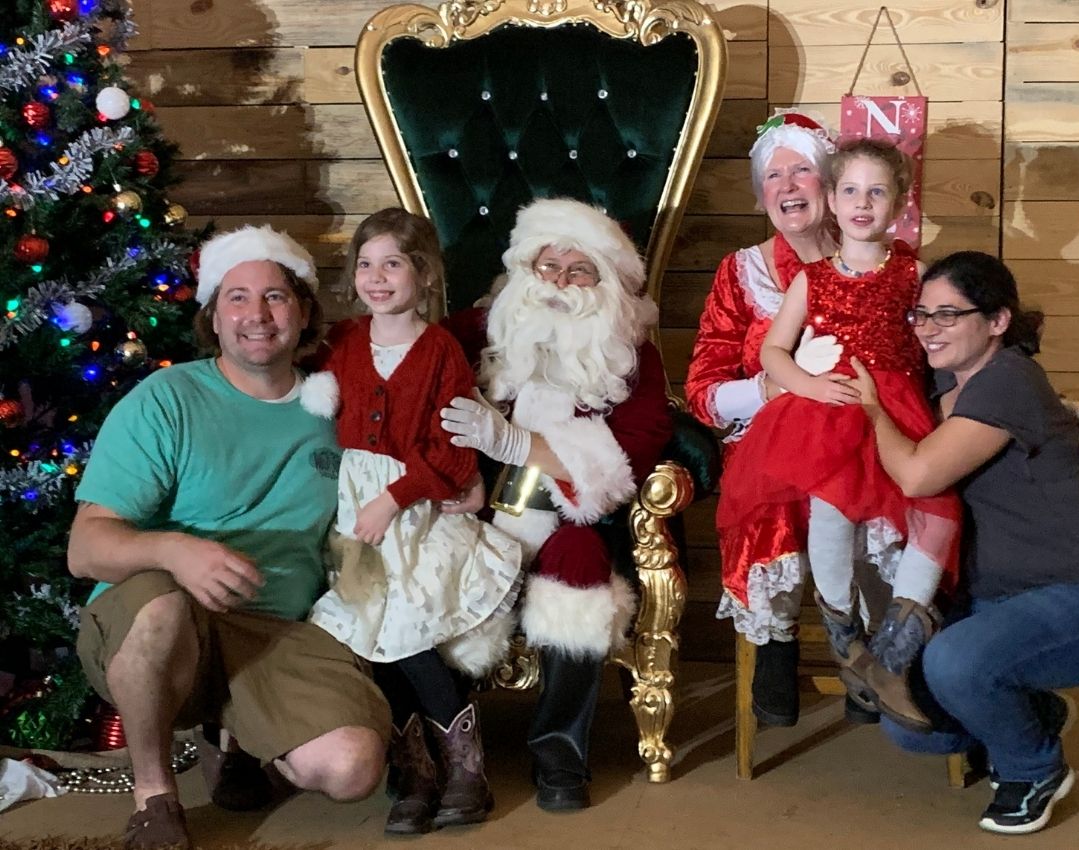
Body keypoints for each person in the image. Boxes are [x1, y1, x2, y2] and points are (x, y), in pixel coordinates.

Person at [66, 225, 392, 850]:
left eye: (275, 297)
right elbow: (86, 548)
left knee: (351, 768)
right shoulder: (168, 398)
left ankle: (237, 739)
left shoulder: (337, 406)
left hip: (276, 628)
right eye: (236, 298)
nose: (256, 316)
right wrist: (174, 549)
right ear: (213, 317)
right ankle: (154, 799)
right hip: (162, 617)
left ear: (302, 313)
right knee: (162, 605)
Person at [847, 251, 1079, 835]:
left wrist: (870, 410)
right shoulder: (945, 381)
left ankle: (1033, 768)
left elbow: (916, 475)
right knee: (907, 721)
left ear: (998, 321)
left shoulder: (1008, 379)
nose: (929, 328)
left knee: (955, 661)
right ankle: (1033, 712)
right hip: (1001, 598)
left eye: (948, 315)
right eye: (922, 314)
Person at [716, 139, 961, 731]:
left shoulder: (914, 273)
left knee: (933, 511)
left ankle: (892, 652)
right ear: (831, 198)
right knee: (831, 513)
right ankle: (845, 641)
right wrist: (807, 383)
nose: (862, 203)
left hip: (895, 412)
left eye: (878, 191)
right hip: (828, 411)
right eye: (850, 190)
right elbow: (774, 351)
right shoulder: (814, 280)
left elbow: (942, 352)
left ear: (900, 203)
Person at [439, 197, 673, 811]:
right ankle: (446, 743)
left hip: (579, 518)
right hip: (478, 509)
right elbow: (407, 364)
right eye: (547, 267)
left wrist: (517, 442)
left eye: (578, 272)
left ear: (605, 284)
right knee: (441, 555)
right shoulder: (482, 328)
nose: (559, 284)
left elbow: (636, 451)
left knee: (578, 565)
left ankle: (559, 754)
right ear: (524, 271)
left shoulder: (632, 355)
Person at [298, 208, 523, 835]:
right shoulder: (343, 342)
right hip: (354, 509)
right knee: (375, 633)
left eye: (392, 263)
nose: (376, 277)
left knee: (407, 624)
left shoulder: (440, 349)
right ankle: (417, 772)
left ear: (422, 275)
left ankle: (465, 768)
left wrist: (393, 497)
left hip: (414, 508)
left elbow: (452, 449)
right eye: (365, 265)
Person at [684, 110, 847, 728]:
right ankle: (774, 644)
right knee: (774, 492)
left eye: (800, 170)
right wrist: (769, 391)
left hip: (857, 425)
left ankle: (864, 650)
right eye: (772, 176)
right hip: (766, 436)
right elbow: (701, 391)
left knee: (883, 493)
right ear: (760, 197)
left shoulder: (880, 258)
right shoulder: (741, 272)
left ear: (829, 183)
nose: (786, 185)